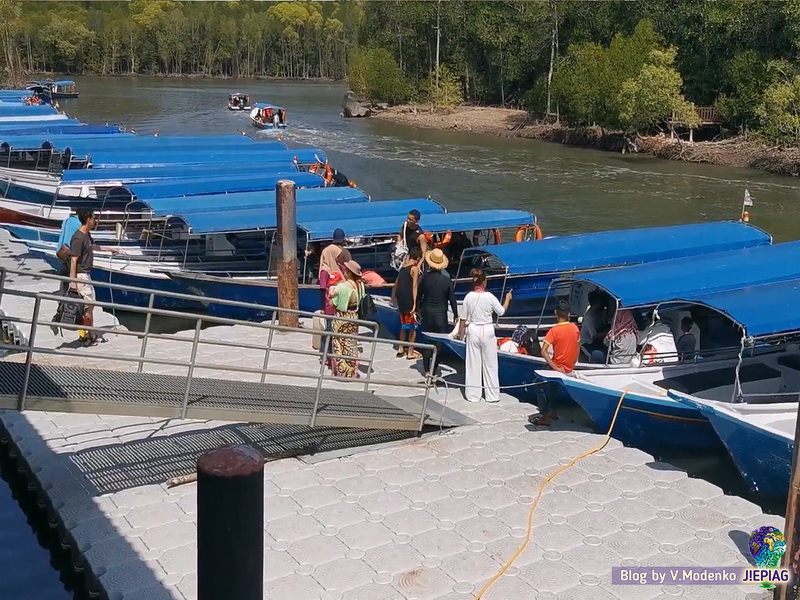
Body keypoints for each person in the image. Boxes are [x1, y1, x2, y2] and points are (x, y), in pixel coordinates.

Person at [68, 209, 119, 346]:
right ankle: (87, 336)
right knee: (88, 306)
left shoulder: (86, 235)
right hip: (81, 276)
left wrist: (109, 249)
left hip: (85, 275)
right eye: (94, 218)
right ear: (88, 219)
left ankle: (87, 334)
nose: (95, 221)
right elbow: (73, 260)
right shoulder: (78, 238)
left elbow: (92, 246)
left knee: (89, 306)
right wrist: (73, 282)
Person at [461, 268, 512, 403]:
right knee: (490, 364)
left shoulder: (468, 297)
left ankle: (473, 395)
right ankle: (492, 395)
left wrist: (460, 333)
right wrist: (507, 299)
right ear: (484, 282)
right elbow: (501, 311)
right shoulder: (489, 297)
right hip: (487, 329)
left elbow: (463, 318)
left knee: (473, 363)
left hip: (473, 329)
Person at [532, 299, 580, 426]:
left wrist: (555, 368)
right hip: (569, 366)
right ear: (568, 314)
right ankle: (552, 411)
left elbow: (543, 351)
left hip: (558, 366)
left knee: (538, 383)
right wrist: (572, 364)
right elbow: (578, 347)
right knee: (554, 386)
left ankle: (544, 414)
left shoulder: (554, 331)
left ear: (555, 313)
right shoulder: (575, 328)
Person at [417, 248, 459, 378]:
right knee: (438, 344)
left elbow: (419, 296)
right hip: (441, 316)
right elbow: (452, 300)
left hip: (427, 314)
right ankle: (434, 369)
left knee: (426, 343)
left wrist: (418, 309)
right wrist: (456, 315)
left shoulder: (425, 279)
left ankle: (426, 370)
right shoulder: (447, 281)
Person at [328, 260, 365, 378]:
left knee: (339, 344)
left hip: (342, 317)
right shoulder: (360, 286)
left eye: (345, 270)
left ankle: (341, 373)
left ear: (349, 273)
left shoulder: (341, 287)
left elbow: (332, 304)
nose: (343, 271)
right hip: (354, 316)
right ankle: (352, 371)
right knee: (351, 344)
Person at [392, 246, 422, 360]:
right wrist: (415, 302)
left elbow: (396, 283)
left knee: (403, 325)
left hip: (401, 298)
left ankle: (400, 348)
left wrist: (393, 297)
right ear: (418, 258)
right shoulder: (414, 269)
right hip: (409, 298)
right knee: (413, 326)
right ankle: (410, 351)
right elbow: (414, 286)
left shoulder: (403, 267)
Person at [318, 229, 346, 314]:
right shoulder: (326, 271)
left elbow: (323, 290)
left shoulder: (327, 270)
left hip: (334, 308)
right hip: (334, 308)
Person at [579, 290, 608, 361]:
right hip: (586, 344)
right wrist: (609, 334)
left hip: (598, 342)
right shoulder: (588, 318)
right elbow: (594, 336)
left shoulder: (602, 312)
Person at [56, 211, 80, 293]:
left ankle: (62, 299)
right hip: (69, 252)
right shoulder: (79, 223)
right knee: (73, 275)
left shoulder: (66, 220)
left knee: (64, 278)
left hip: (61, 251)